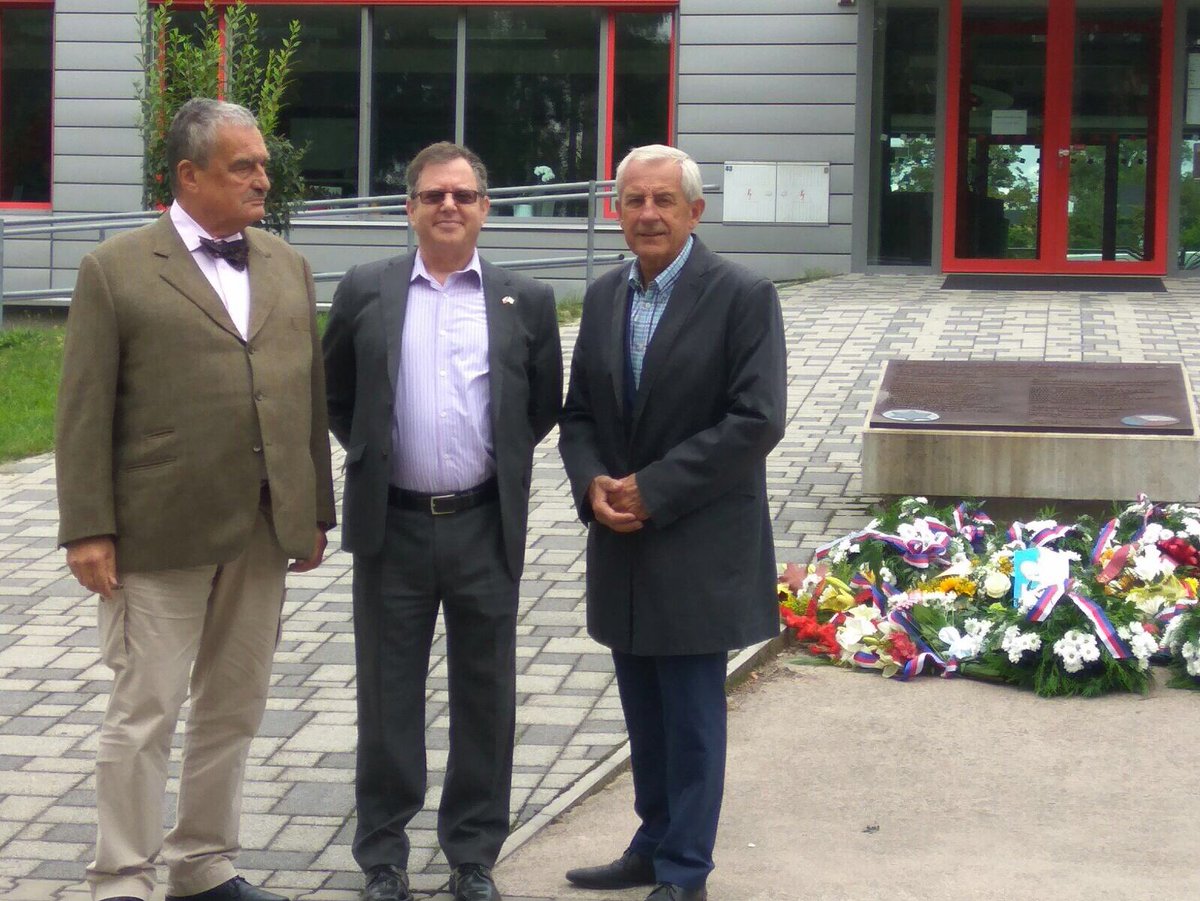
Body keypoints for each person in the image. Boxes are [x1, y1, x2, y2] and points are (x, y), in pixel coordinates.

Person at [55, 98, 336, 901]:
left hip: (263, 525)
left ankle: (204, 863)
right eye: (243, 166)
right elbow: (82, 409)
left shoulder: (287, 264)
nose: (263, 178)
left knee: (234, 706)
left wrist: (315, 507)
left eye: (263, 164)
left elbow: (307, 396)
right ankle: (122, 876)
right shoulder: (115, 268)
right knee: (144, 709)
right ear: (188, 174)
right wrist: (88, 527)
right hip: (158, 529)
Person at [322, 141, 562, 901]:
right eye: (433, 195)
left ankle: (473, 854)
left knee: (486, 695)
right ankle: (383, 856)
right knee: (386, 695)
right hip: (391, 527)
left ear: (485, 208)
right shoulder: (365, 289)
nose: (448, 206)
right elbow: (337, 394)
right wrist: (375, 454)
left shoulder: (527, 298)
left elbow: (541, 405)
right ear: (410, 208)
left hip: (484, 523)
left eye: (462, 195)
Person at [558, 145, 787, 901]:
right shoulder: (604, 296)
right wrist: (592, 483)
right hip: (622, 543)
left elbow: (757, 419)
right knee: (644, 713)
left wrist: (653, 489)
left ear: (695, 210)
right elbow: (579, 414)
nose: (648, 214)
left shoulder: (743, 295)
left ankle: (686, 870)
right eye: (634, 200)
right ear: (615, 210)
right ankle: (652, 843)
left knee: (690, 718)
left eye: (664, 200)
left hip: (697, 540)